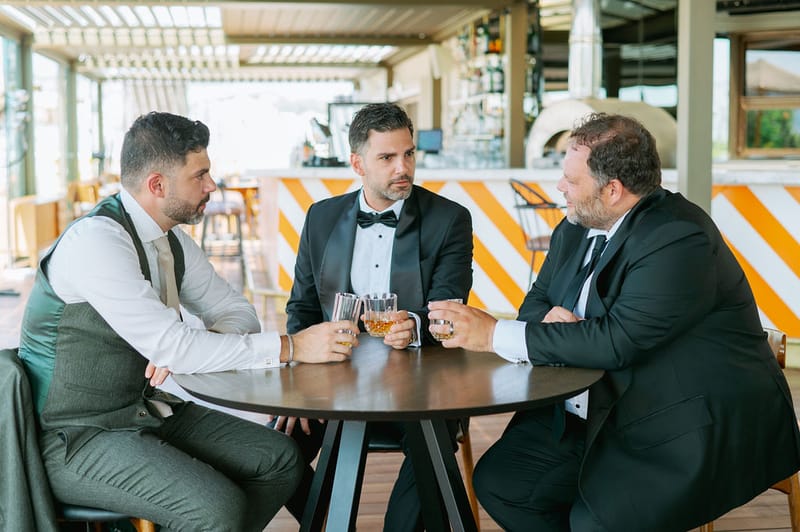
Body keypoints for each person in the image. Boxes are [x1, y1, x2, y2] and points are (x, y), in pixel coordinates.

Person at [428, 112, 800, 531]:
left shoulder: (678, 238)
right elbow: (536, 301)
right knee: (501, 484)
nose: (560, 187)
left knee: (594, 523)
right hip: (596, 408)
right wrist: (547, 321)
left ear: (612, 190)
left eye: (571, 180)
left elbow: (617, 342)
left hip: (677, 420)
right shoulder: (577, 225)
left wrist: (493, 334)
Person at [18, 111, 358, 531]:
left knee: (280, 459)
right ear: (157, 185)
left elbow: (238, 312)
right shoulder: (97, 241)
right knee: (216, 509)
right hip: (74, 436)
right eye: (200, 175)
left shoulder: (171, 239)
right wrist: (293, 346)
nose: (212, 185)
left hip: (145, 411)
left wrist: (196, 344)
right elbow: (174, 347)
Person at [277, 102, 473, 530]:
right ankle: (329, 521)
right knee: (272, 453)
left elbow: (448, 311)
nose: (403, 168)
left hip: (424, 382)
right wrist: (297, 384)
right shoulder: (321, 218)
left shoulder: (449, 220)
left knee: (429, 456)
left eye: (409, 153)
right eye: (387, 157)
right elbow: (302, 308)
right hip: (334, 380)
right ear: (357, 164)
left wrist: (415, 326)